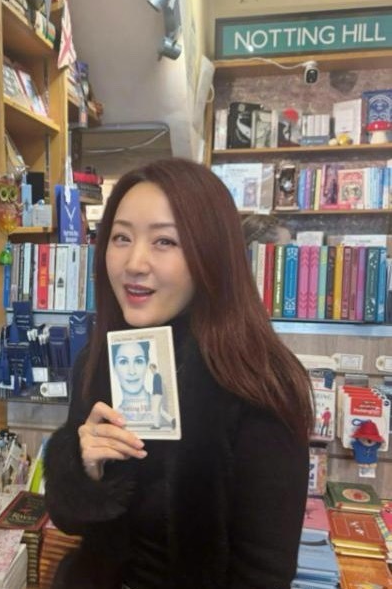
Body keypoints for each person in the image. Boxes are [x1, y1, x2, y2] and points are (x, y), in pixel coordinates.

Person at [44, 157, 313, 589]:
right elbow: (69, 521)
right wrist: (83, 468)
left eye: (164, 241)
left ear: (211, 254)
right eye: (121, 237)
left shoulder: (259, 384)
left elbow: (264, 574)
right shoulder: (98, 361)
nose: (134, 262)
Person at [111, 340, 152, 424]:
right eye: (123, 362)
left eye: (138, 361)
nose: (132, 372)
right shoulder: (112, 414)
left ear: (147, 365)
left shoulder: (163, 407)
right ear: (114, 368)